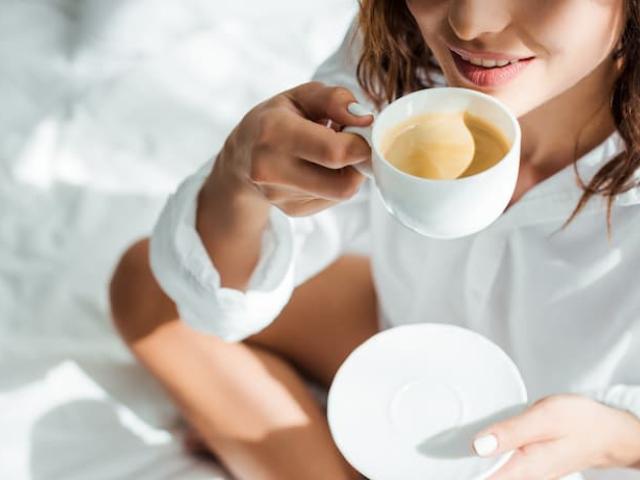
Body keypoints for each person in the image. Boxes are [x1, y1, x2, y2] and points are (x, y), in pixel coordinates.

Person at [109, 1, 640, 479]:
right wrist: (239, 181)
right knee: (148, 287)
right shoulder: (399, 50)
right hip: (411, 333)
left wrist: (614, 439)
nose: (468, 23)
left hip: (579, 431)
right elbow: (217, 289)